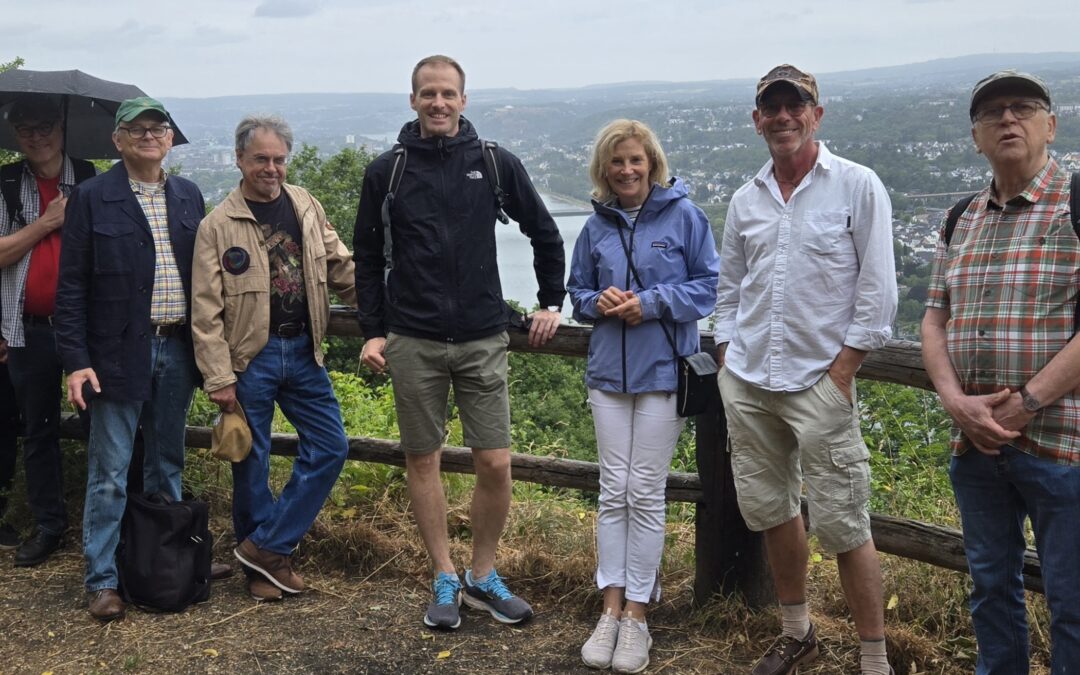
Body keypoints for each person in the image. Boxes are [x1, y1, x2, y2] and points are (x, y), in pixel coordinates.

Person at [354, 54, 565, 630]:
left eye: (448, 94)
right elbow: (368, 258)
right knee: (422, 461)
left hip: (481, 336)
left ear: (464, 100)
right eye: (428, 94)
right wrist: (374, 329)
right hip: (413, 337)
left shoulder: (494, 163)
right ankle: (444, 574)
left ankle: (482, 575)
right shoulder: (388, 172)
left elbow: (544, 233)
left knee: (495, 462)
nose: (438, 103)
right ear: (413, 100)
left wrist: (550, 302)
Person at [713, 65, 897, 675]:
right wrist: (725, 357)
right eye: (772, 107)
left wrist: (843, 372)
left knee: (846, 522)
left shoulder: (857, 185)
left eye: (797, 106)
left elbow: (877, 296)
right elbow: (730, 291)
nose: (784, 117)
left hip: (821, 382)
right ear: (757, 118)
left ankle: (874, 658)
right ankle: (799, 632)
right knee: (772, 511)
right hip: (750, 381)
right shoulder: (746, 198)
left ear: (817, 114)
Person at [922, 70, 1080, 674]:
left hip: (1064, 442)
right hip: (977, 442)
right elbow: (935, 317)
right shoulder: (962, 217)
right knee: (990, 589)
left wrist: (1028, 402)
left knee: (1072, 601)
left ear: (1051, 125)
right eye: (993, 114)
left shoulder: (1074, 202)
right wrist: (955, 402)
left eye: (1023, 108)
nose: (1008, 120)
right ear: (976, 137)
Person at [568, 119, 718, 673]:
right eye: (616, 162)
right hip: (609, 374)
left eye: (635, 160)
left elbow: (708, 286)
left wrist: (650, 303)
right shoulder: (595, 225)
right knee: (614, 489)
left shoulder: (686, 216)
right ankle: (609, 607)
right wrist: (598, 301)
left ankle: (637, 615)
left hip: (663, 373)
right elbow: (576, 292)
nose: (626, 170)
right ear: (604, 169)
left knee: (645, 489)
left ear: (652, 162)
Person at [191, 114, 356, 603]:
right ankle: (263, 571)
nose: (271, 168)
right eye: (260, 158)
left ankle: (266, 545)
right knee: (252, 461)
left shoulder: (304, 203)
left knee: (331, 446)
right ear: (239, 159)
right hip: (250, 359)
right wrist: (219, 377)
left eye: (279, 159)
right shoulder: (217, 225)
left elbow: (339, 265)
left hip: (305, 350)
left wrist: (387, 311)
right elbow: (205, 310)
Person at [55, 97, 206, 622]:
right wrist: (76, 360)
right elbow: (70, 287)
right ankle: (102, 580)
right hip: (116, 353)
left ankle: (165, 562)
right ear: (117, 140)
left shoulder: (188, 194)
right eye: (135, 129)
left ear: (170, 139)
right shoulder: (93, 198)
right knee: (111, 471)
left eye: (158, 128)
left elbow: (207, 281)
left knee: (168, 463)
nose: (148, 135)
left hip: (179, 347)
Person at [0, 95, 96, 566]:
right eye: (24, 129)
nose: (35, 136)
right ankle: (49, 526)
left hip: (87, 330)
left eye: (43, 126)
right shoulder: (5, 182)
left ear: (61, 127)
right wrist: (46, 222)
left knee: (104, 426)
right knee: (37, 431)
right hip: (28, 330)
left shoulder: (92, 177)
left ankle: (104, 525)